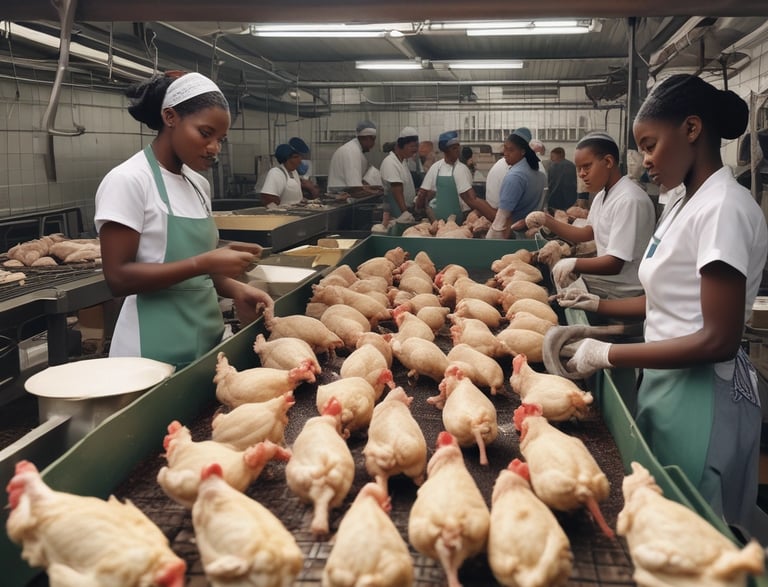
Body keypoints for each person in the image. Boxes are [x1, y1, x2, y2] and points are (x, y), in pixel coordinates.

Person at [550, 74, 768, 535]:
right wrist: (596, 308)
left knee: (695, 530)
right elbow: (665, 301)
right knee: (663, 514)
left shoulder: (723, 208)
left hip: (701, 395)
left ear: (691, 129)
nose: (645, 160)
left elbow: (719, 339)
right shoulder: (682, 203)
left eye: (650, 146)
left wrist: (609, 354)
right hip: (666, 380)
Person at [94, 71, 274, 369]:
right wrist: (205, 262)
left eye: (220, 139)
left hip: (205, 343)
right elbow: (118, 278)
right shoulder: (129, 180)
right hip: (150, 352)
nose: (214, 148)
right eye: (205, 133)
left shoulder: (198, 184)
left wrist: (236, 289)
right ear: (170, 117)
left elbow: (195, 273)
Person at [526, 132, 656, 298]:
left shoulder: (629, 200)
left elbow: (615, 263)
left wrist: (574, 263)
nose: (581, 174)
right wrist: (547, 220)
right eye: (579, 169)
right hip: (610, 280)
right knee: (557, 281)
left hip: (624, 287)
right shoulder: (602, 196)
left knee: (562, 285)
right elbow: (586, 233)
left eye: (586, 167)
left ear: (608, 162)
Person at [415, 131, 496, 223]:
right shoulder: (436, 168)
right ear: (445, 150)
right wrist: (419, 209)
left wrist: (492, 215)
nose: (458, 150)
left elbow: (471, 199)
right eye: (454, 148)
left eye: (458, 147)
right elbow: (423, 192)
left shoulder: (461, 169)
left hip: (460, 219)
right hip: (438, 221)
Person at [485, 127, 546, 239]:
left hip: (513, 237)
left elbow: (502, 219)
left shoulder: (515, 177)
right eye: (505, 149)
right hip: (532, 235)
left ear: (523, 151)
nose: (506, 154)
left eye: (511, 150)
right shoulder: (538, 172)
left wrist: (490, 242)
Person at [327, 120, 380, 196]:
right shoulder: (352, 151)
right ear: (368, 138)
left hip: (344, 195)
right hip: (341, 198)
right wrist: (375, 193)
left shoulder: (353, 149)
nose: (373, 144)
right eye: (373, 140)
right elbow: (355, 188)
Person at [380, 126, 419, 226]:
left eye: (416, 146)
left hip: (404, 210)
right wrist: (405, 213)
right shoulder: (390, 162)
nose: (415, 149)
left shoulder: (403, 161)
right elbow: (396, 189)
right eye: (412, 146)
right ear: (400, 146)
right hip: (396, 211)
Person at [546, 146, 579, 211]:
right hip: (570, 201)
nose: (551, 158)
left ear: (559, 156)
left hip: (555, 201)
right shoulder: (572, 165)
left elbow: (549, 183)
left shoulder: (552, 167)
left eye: (552, 156)